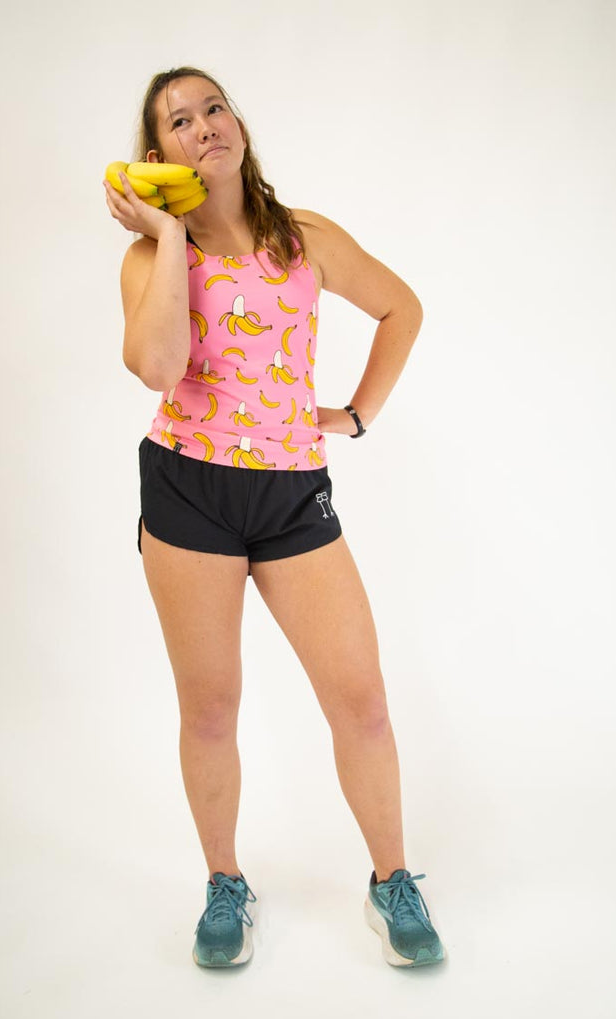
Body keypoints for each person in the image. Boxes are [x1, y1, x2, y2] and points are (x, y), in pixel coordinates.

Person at [103, 66, 445, 970]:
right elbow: (158, 366)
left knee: (361, 702)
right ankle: (224, 882)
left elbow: (401, 307)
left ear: (237, 122)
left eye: (214, 107)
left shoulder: (306, 240)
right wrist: (170, 233)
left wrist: (359, 411)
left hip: (292, 493)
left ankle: (392, 880)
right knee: (211, 711)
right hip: (188, 493)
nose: (205, 125)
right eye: (179, 121)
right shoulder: (148, 258)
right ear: (156, 156)